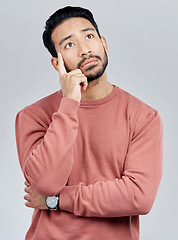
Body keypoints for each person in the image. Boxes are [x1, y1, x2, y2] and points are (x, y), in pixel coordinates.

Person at [15, 6, 163, 240]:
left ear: (104, 43)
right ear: (57, 64)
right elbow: (45, 183)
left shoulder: (143, 116)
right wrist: (70, 103)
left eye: (89, 36)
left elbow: (139, 196)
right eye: (69, 45)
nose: (85, 50)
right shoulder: (33, 115)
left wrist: (56, 201)